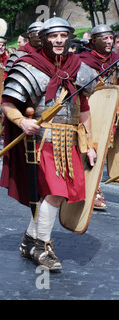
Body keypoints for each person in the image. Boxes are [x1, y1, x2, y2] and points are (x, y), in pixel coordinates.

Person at [0, 17, 97, 270]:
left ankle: (29, 240)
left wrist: (90, 143)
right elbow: (7, 105)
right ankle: (42, 247)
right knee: (55, 192)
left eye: (63, 36)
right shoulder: (29, 66)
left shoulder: (78, 67)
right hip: (42, 142)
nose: (59, 40)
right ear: (43, 39)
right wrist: (22, 122)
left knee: (54, 196)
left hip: (70, 142)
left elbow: (83, 108)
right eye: (54, 36)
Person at [79, 24, 119, 210]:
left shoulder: (117, 60)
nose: (109, 42)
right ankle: (91, 188)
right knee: (88, 149)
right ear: (93, 41)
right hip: (88, 111)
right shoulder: (83, 61)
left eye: (111, 38)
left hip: (110, 112)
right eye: (105, 38)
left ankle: (95, 187)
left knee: (102, 150)